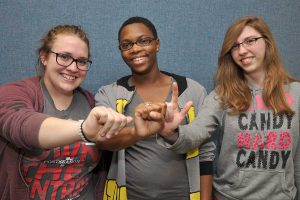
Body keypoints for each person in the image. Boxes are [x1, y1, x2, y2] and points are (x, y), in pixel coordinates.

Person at [0, 24, 167, 200]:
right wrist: (83, 130)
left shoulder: (91, 103)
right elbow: (23, 127)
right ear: (44, 57)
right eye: (64, 57)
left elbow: (108, 144)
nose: (73, 68)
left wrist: (137, 132)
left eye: (81, 61)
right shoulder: (14, 93)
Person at [161, 16, 300, 200]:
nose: (242, 50)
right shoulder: (222, 95)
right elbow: (195, 133)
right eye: (235, 46)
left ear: (267, 43)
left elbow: (297, 156)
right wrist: (171, 132)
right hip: (230, 196)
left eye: (250, 41)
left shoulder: (296, 92)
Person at [95, 16, 215, 200]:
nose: (135, 49)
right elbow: (103, 142)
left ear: (157, 44)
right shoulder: (109, 94)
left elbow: (205, 152)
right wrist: (137, 132)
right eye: (126, 45)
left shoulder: (192, 91)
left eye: (143, 41)